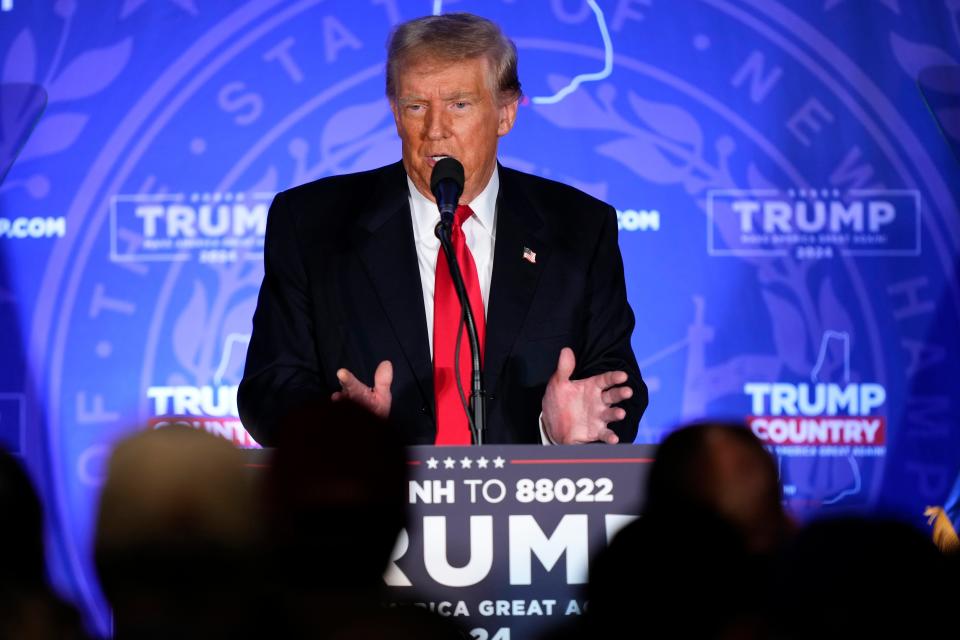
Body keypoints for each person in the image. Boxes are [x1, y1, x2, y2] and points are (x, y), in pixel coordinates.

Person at [239, 12, 647, 446]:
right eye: (416, 106)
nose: (435, 130)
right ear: (396, 114)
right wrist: (340, 429)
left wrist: (562, 433)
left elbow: (614, 387)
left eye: (459, 104)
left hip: (529, 504)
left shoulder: (579, 228)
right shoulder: (312, 223)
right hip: (373, 502)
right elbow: (270, 387)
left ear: (505, 114)